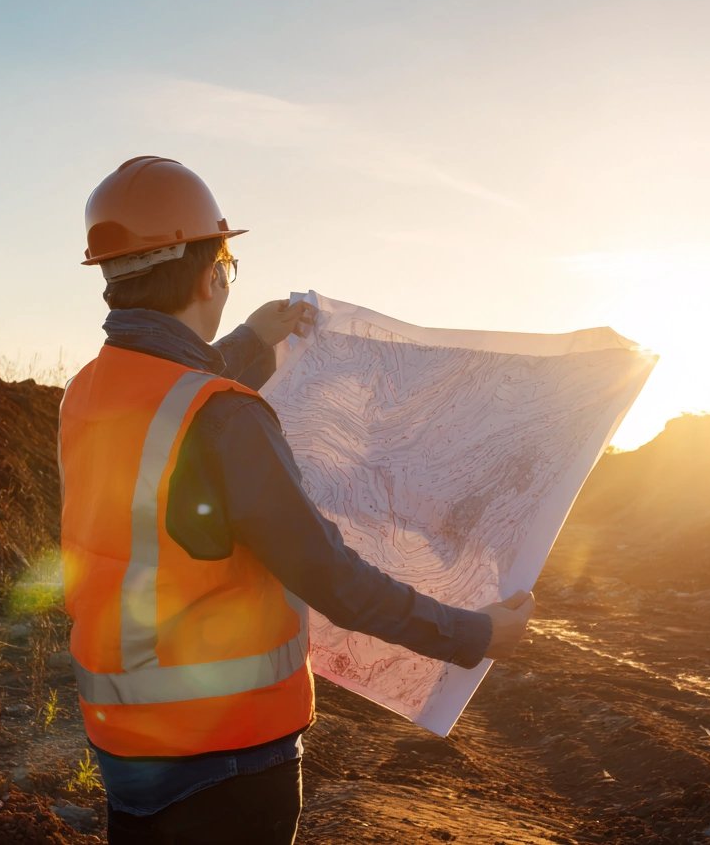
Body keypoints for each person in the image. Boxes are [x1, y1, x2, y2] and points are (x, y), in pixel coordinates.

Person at [58, 156, 536, 844]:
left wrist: (255, 338)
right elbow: (333, 579)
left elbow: (168, 390)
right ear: (210, 273)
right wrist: (475, 635)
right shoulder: (226, 417)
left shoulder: (88, 393)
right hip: (225, 759)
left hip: (127, 745)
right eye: (226, 260)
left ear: (113, 279)